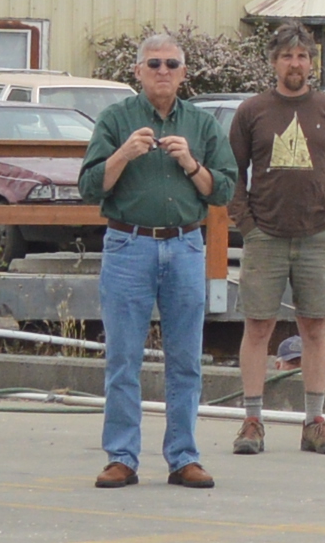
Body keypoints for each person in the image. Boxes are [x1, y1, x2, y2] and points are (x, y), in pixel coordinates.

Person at [79, 36, 234, 490]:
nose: (163, 71)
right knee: (123, 357)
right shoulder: (115, 120)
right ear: (138, 72)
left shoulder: (202, 125)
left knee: (185, 359)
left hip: (185, 245)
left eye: (171, 64)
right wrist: (123, 154)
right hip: (128, 245)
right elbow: (90, 187)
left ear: (184, 73)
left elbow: (222, 190)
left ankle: (183, 456)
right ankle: (122, 457)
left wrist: (190, 163)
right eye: (154, 64)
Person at [229, 22, 325, 457]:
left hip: (318, 236)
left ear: (311, 63)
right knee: (257, 326)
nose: (294, 64)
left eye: (301, 56)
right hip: (264, 237)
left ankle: (314, 421)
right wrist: (246, 225)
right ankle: (252, 420)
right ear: (273, 62)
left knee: (315, 329)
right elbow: (233, 176)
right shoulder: (251, 112)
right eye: (286, 56)